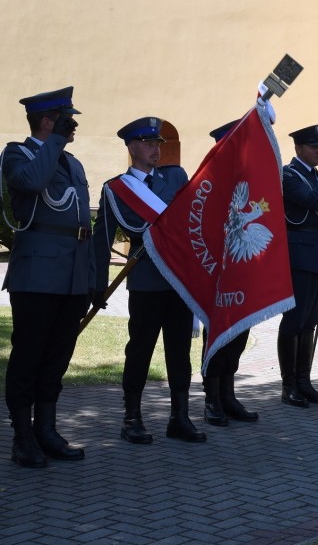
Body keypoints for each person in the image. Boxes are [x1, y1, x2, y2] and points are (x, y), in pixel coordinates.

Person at [93, 117, 206, 444]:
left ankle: (180, 417)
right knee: (140, 350)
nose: (156, 149)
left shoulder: (176, 176)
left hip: (179, 280)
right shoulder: (115, 189)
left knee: (179, 350)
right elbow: (102, 239)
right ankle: (132, 418)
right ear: (131, 147)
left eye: (158, 143)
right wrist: (97, 284)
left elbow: (193, 220)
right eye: (148, 143)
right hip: (145, 281)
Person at [2, 86, 91, 467]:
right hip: (37, 275)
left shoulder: (72, 163)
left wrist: (92, 276)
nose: (71, 128)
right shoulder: (16, 153)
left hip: (72, 275)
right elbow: (33, 183)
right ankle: (22, 438)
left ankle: (47, 430)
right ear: (46, 120)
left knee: (57, 357)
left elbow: (82, 223)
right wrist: (53, 141)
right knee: (28, 356)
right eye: (64, 120)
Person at [199, 120, 259, 426]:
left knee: (238, 334)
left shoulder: (246, 180)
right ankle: (212, 398)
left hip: (241, 268)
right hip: (217, 272)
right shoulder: (210, 181)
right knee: (217, 336)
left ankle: (228, 394)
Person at [277, 124, 318, 407]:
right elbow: (315, 201)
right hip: (300, 259)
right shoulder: (289, 175)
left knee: (311, 322)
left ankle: (304, 381)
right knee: (295, 321)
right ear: (299, 148)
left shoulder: (316, 175)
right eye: (313, 147)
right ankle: (288, 384)